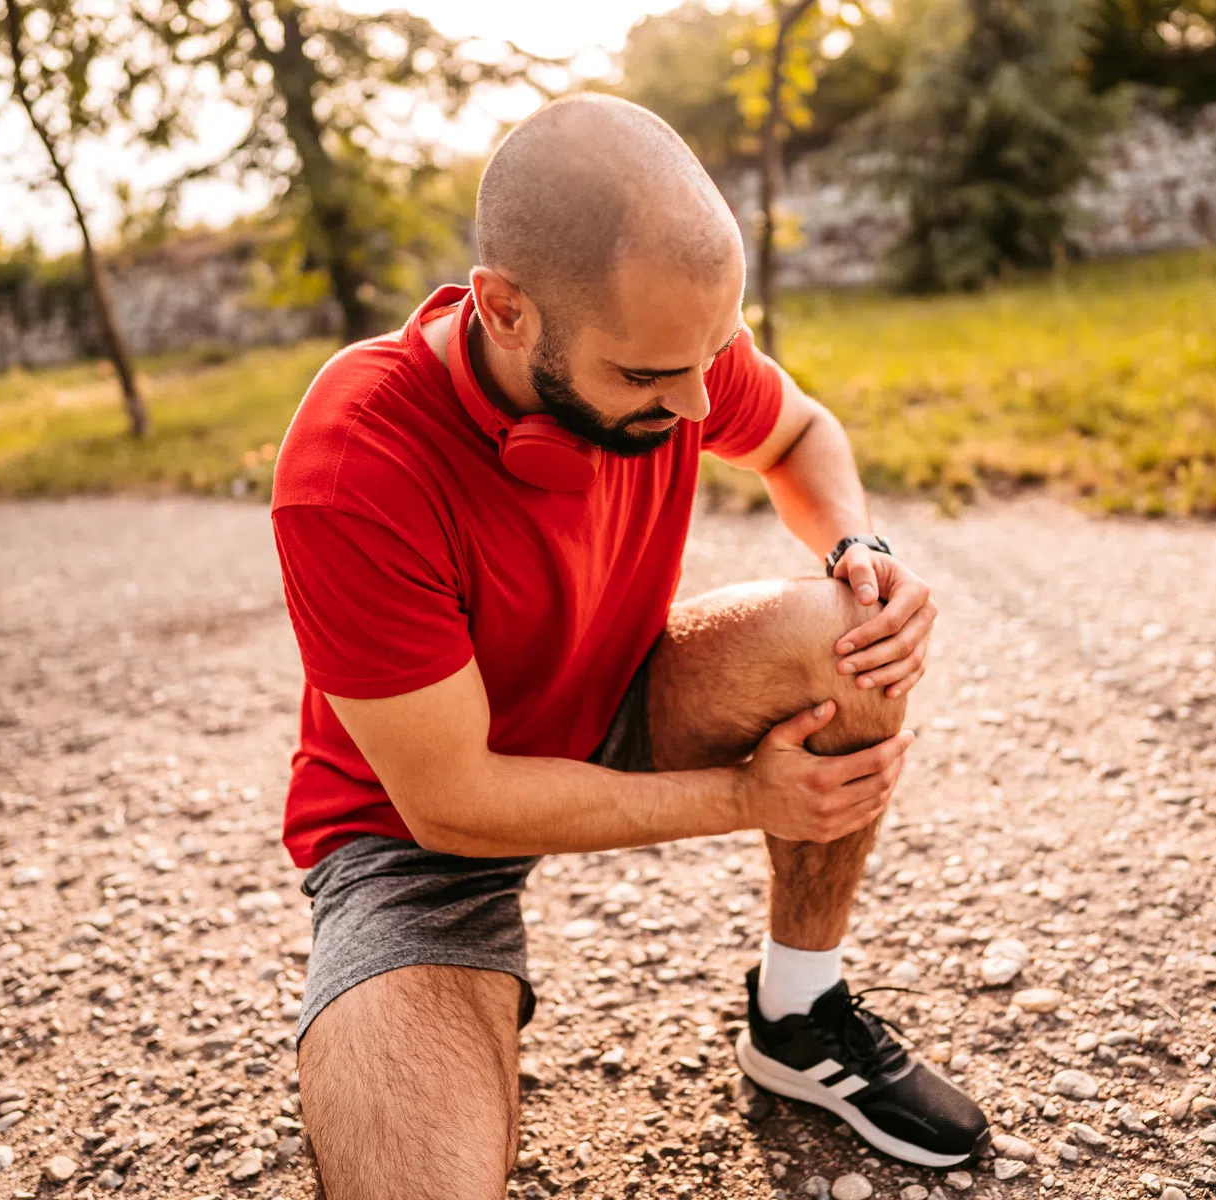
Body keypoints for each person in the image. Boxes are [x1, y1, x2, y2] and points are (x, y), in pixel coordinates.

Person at [269, 93, 988, 1199]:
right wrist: (754, 797)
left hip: (615, 701)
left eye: (710, 355)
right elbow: (452, 801)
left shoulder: (680, 359)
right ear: (504, 310)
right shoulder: (352, 461)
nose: (698, 401)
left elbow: (800, 430)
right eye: (651, 377)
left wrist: (860, 543)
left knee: (848, 633)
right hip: (412, 834)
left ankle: (799, 1015)